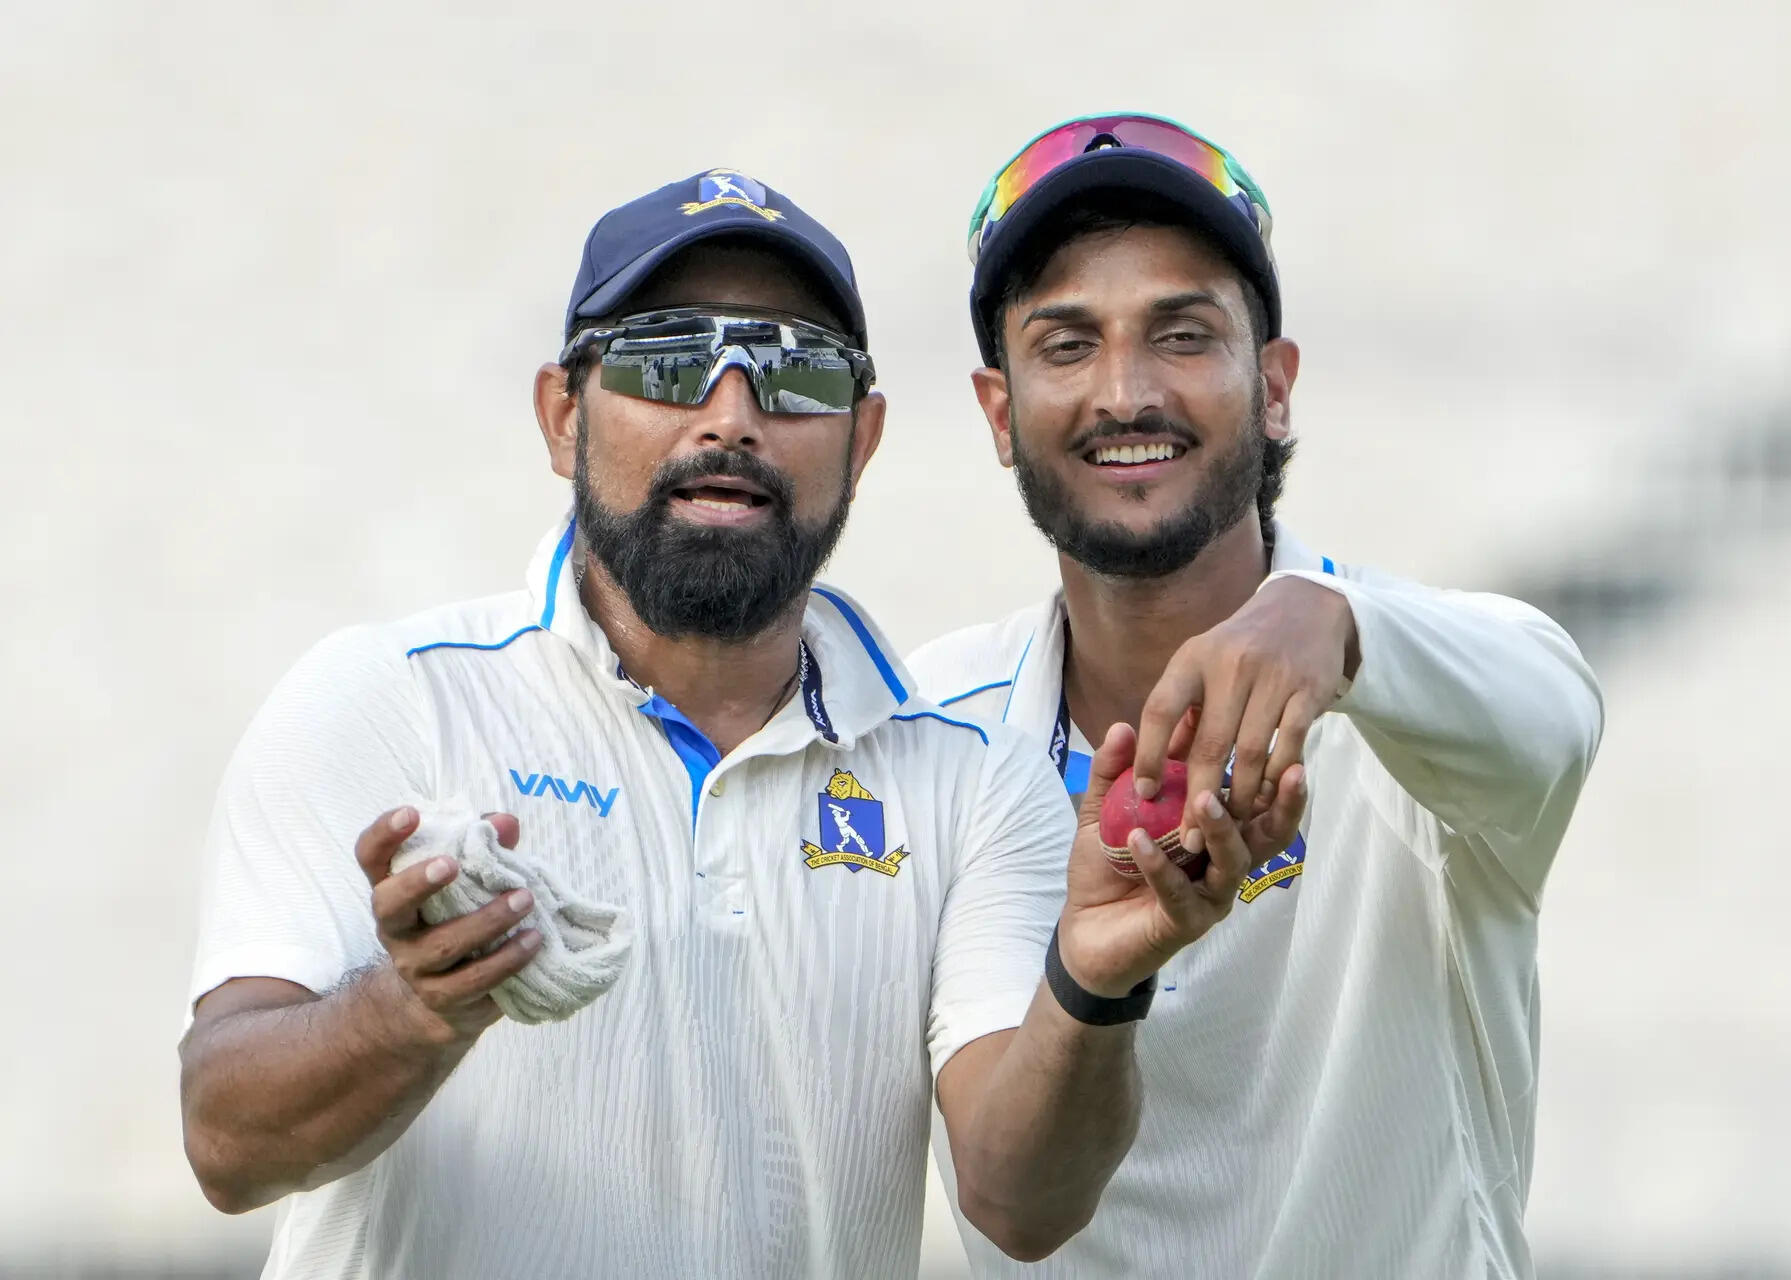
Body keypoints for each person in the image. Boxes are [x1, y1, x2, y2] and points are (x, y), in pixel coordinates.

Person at [175, 167, 1288, 1280]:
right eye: (666, 359)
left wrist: (1095, 981)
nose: (730, 415)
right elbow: (226, 1144)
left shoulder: (964, 766)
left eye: (797, 372)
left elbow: (1021, 1201)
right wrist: (410, 1007)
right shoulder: (391, 698)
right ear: (563, 416)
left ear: (865, 437)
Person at [909, 114, 1606, 1278]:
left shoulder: (1407, 690)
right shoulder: (932, 727)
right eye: (1067, 344)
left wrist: (1333, 625)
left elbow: (1558, 704)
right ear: (998, 410)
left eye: (1182, 334)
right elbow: (1014, 1202)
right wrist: (1095, 976)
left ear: (1274, 386)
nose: (1126, 392)